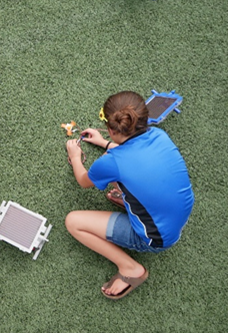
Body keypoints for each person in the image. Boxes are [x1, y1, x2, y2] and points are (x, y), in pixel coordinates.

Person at [65, 91, 194, 300]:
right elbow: (135, 155)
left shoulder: (111, 162)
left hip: (155, 239)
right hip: (175, 217)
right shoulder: (160, 135)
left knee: (73, 221)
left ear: (110, 128)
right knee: (130, 174)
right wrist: (105, 143)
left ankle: (130, 268)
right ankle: (129, 202)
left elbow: (83, 180)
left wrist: (75, 156)